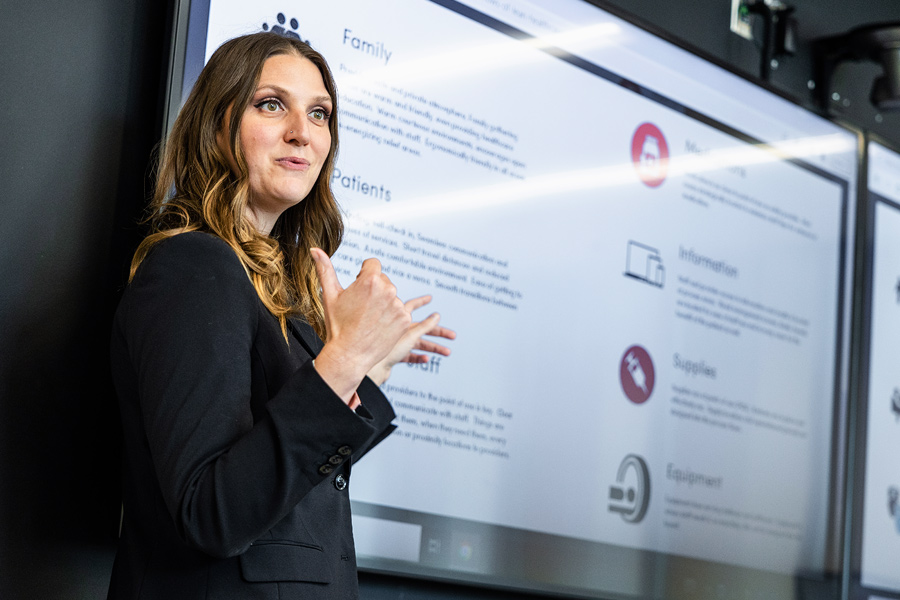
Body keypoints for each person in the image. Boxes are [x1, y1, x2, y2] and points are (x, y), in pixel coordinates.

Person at [106, 31, 454, 599]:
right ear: (217, 124)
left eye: (319, 114)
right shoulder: (194, 265)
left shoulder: (277, 295)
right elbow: (211, 511)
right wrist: (341, 364)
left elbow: (290, 490)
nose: (303, 133)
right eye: (272, 104)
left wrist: (366, 369)